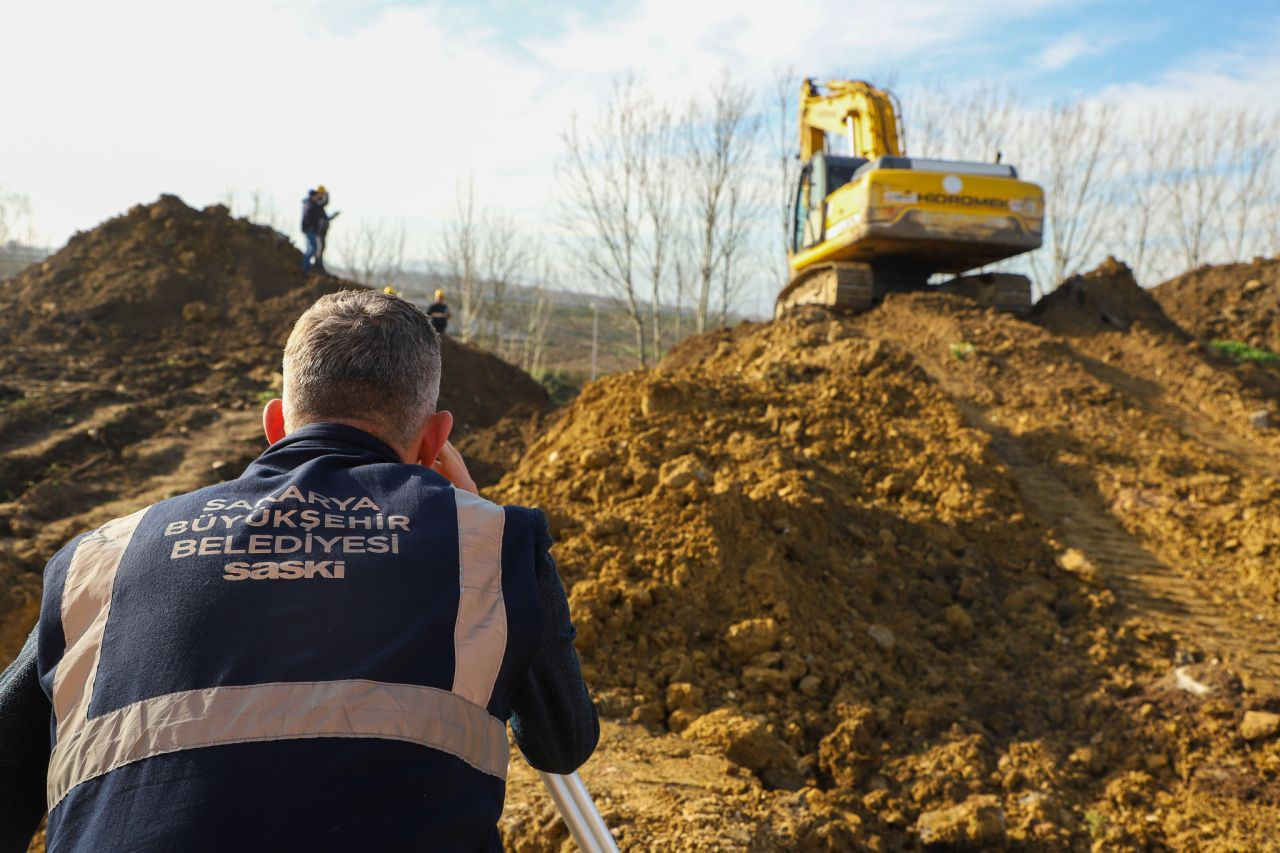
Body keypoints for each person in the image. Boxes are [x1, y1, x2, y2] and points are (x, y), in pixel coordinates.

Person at [0, 290, 598, 851]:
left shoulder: (97, 558)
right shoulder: (494, 542)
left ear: (275, 427)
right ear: (434, 440)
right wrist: (473, 517)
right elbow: (562, 740)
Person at [300, 185, 337, 273]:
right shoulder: (310, 205)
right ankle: (306, 266)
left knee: (313, 247)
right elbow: (313, 215)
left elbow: (323, 208)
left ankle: (308, 267)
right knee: (314, 248)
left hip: (312, 229)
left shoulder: (313, 204)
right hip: (310, 229)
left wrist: (326, 196)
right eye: (318, 195)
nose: (319, 197)